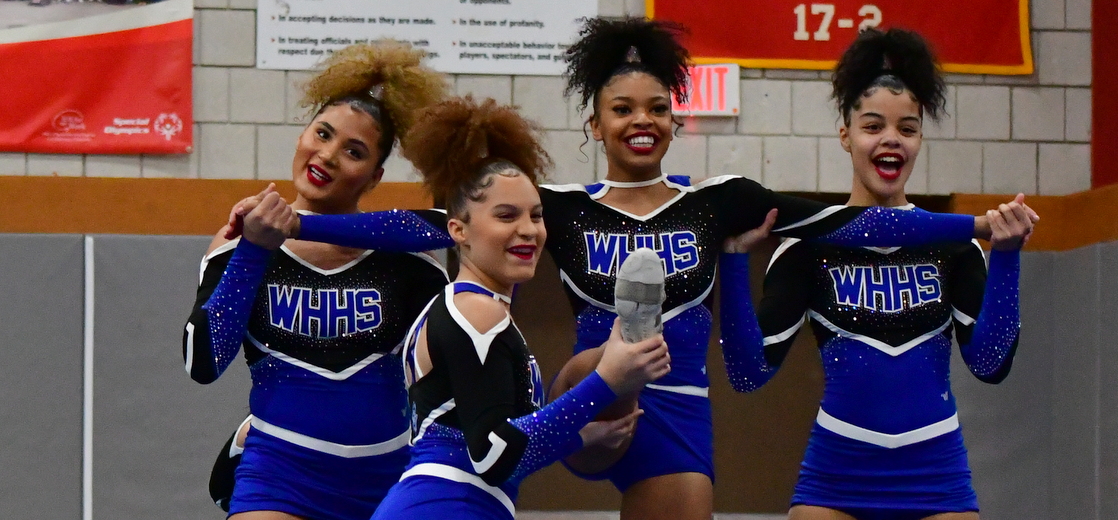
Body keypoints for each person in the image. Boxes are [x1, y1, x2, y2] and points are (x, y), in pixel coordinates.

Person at [287, 17, 1023, 520]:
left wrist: (975, 227)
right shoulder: (561, 206)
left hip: (672, 416)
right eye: (622, 109)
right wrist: (297, 224)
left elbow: (849, 223)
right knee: (554, 398)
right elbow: (421, 226)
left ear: (676, 116)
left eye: (657, 107)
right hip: (588, 397)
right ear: (595, 122)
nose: (642, 120)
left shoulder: (717, 204)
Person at [717, 28, 1034, 520]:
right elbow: (745, 373)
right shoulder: (806, 249)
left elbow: (991, 364)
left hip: (936, 476)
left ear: (920, 140)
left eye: (907, 128)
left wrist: (1008, 255)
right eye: (873, 126)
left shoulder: (956, 248)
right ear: (845, 135)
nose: (891, 139)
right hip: (836, 476)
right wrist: (734, 263)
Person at [182, 40, 452, 520]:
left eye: (353, 151)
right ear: (301, 135)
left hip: (388, 481)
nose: (327, 155)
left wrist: (300, 223)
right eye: (322, 134)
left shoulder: (409, 260)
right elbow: (203, 362)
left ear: (374, 176)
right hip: (280, 475)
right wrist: (254, 251)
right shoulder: (238, 248)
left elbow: (452, 224)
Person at [362, 96, 669, 519]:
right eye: (506, 216)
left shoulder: (473, 306)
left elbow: (494, 444)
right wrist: (605, 382)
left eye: (537, 215)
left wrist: (581, 436)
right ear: (458, 230)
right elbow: (495, 455)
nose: (528, 230)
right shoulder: (477, 313)